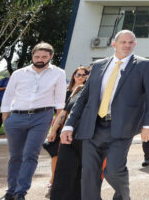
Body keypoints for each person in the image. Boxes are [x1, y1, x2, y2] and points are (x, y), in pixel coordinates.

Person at [60, 30, 149, 200]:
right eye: (123, 42)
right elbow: (84, 97)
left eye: (131, 42)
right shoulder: (98, 65)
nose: (127, 45)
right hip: (93, 126)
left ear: (135, 44)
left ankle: (122, 197)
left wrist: (148, 125)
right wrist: (68, 125)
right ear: (114, 44)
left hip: (122, 126)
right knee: (89, 173)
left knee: (113, 170)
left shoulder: (144, 64)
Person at [0, 42, 66, 200]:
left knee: (30, 155)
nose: (40, 59)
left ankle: (20, 192)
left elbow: (59, 103)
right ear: (32, 56)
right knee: (15, 156)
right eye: (37, 56)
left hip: (41, 117)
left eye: (44, 56)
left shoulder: (58, 73)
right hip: (16, 117)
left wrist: (54, 128)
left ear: (51, 56)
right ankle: (10, 192)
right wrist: (6, 120)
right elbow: (8, 97)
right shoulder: (19, 73)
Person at [49, 67, 90, 200]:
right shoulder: (77, 90)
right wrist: (54, 130)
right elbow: (64, 113)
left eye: (86, 74)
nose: (84, 76)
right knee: (64, 171)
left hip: (88, 137)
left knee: (82, 173)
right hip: (68, 136)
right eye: (81, 74)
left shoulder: (101, 92)